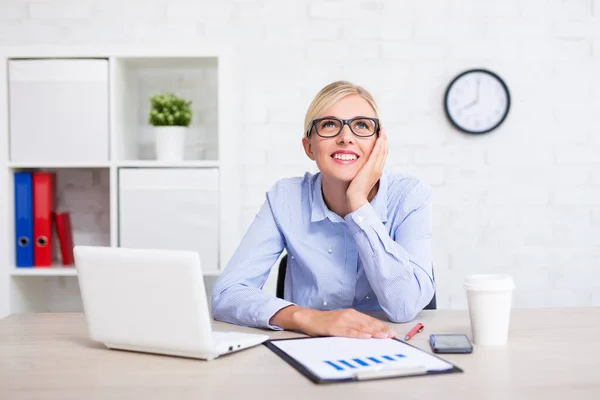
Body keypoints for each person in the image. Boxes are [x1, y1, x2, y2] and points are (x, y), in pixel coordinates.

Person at [211, 80, 434, 339]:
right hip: (305, 344)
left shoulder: (409, 195)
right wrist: (308, 318)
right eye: (329, 125)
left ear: (379, 144)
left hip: (389, 345)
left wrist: (358, 204)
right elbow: (227, 293)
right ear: (309, 147)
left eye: (361, 125)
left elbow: (404, 307)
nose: (346, 137)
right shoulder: (285, 198)